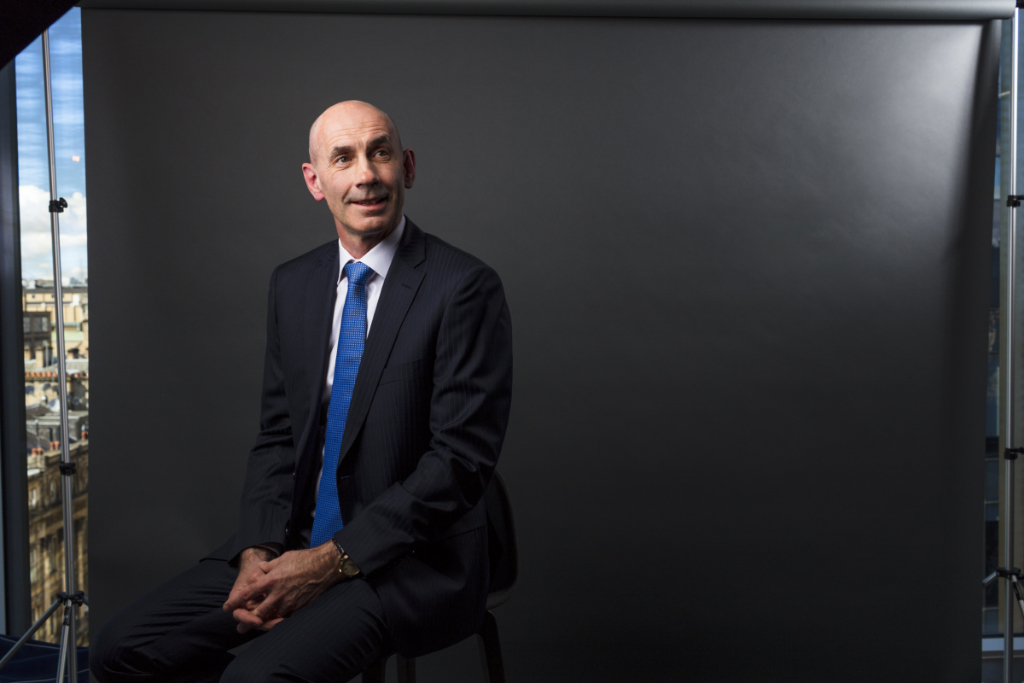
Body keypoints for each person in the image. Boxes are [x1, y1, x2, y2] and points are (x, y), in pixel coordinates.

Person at [91, 101, 514, 683]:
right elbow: (278, 436)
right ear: (316, 181)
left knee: (255, 679)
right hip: (290, 542)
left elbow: (459, 464)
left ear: (407, 167)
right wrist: (258, 553)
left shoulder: (462, 287)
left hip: (410, 560)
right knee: (120, 649)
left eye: (380, 152)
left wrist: (329, 562)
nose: (365, 173)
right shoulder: (293, 285)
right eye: (343, 158)